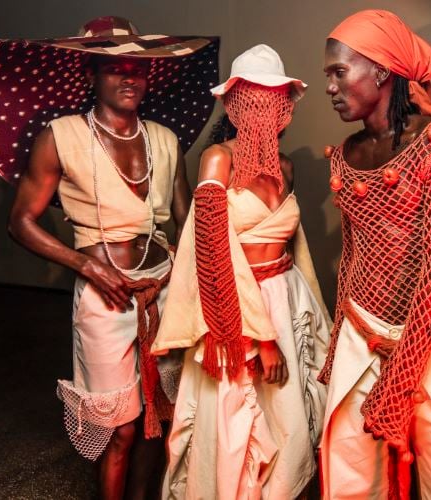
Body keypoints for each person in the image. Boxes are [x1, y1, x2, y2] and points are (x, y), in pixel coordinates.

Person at [2, 16, 217, 499]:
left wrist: (184, 276)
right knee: (120, 427)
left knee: (158, 416)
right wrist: (87, 265)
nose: (129, 77)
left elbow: (184, 221)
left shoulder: (165, 138)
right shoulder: (62, 136)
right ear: (91, 74)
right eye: (114, 67)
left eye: (138, 69)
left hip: (162, 290)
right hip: (105, 297)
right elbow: (20, 222)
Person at [319, 10, 431, 499]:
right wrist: (339, 344)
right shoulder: (344, 155)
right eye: (327, 75)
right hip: (360, 329)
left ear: (380, 70)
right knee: (351, 475)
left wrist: (399, 378)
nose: (330, 87)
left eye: (339, 72)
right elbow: (352, 257)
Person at [152, 44, 331, 499]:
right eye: (253, 98)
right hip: (234, 308)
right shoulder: (219, 159)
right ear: (232, 104)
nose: (264, 109)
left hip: (285, 299)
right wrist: (258, 337)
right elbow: (212, 249)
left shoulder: (287, 168)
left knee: (288, 416)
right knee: (236, 420)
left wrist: (299, 318)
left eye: (274, 99)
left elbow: (294, 248)